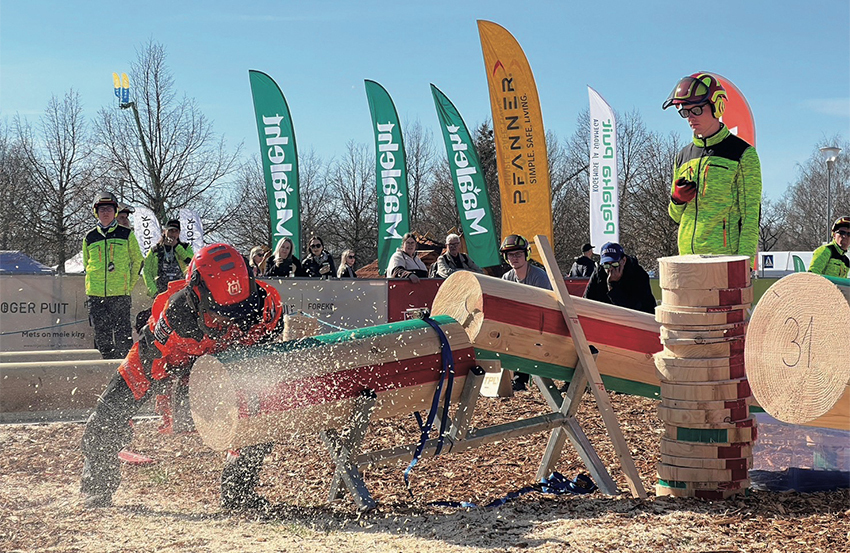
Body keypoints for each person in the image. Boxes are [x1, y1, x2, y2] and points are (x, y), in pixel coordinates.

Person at [80, 243, 286, 511]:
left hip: (228, 360)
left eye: (238, 313)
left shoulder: (267, 305)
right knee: (110, 412)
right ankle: (97, 485)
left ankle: (239, 490)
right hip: (171, 357)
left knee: (262, 411)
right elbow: (151, 360)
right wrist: (175, 391)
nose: (229, 322)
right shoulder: (175, 315)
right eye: (220, 315)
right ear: (196, 295)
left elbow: (266, 361)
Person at [662, 73, 762, 266]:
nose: (690, 117)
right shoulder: (683, 156)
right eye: (685, 111)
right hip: (687, 260)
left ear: (717, 106)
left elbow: (751, 216)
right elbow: (675, 216)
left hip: (724, 261)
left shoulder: (742, 153)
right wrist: (677, 200)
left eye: (697, 110)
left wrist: (744, 265)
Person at [82, 191, 143, 359]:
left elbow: (138, 261)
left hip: (120, 294)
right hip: (96, 294)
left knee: (123, 335)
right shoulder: (89, 237)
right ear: (96, 212)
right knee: (101, 335)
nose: (106, 212)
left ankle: (126, 374)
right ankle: (104, 370)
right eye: (102, 209)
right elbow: (86, 263)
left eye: (109, 209)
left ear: (115, 211)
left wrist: (128, 285)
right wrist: (91, 285)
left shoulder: (126, 234)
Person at [499, 234, 551, 391]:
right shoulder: (506, 278)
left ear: (526, 255)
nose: (514, 258)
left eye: (518, 254)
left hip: (541, 322)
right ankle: (517, 379)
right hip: (518, 323)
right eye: (510, 255)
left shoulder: (539, 277)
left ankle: (526, 378)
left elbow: (544, 307)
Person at [584, 242, 657, 314]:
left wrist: (613, 286)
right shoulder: (599, 273)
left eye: (615, 264)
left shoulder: (637, 274)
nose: (611, 269)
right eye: (606, 265)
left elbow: (633, 309)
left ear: (624, 260)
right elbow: (587, 301)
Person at [142, 219, 194, 298]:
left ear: (179, 233)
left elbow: (191, 263)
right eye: (170, 231)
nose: (173, 234)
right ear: (164, 231)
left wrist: (177, 247)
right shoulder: (155, 250)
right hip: (161, 289)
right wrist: (154, 292)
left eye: (176, 231)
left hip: (181, 289)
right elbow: (146, 272)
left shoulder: (185, 247)